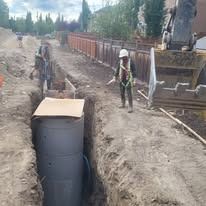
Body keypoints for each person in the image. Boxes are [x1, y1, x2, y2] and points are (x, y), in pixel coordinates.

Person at [113, 49, 137, 113]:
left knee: (129, 93)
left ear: (126, 56)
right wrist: (115, 77)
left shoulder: (131, 62)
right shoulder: (120, 62)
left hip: (128, 80)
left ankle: (130, 106)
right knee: (122, 92)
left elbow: (134, 71)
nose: (122, 58)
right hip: (121, 79)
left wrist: (134, 80)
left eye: (123, 57)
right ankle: (123, 103)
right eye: (121, 57)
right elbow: (117, 70)